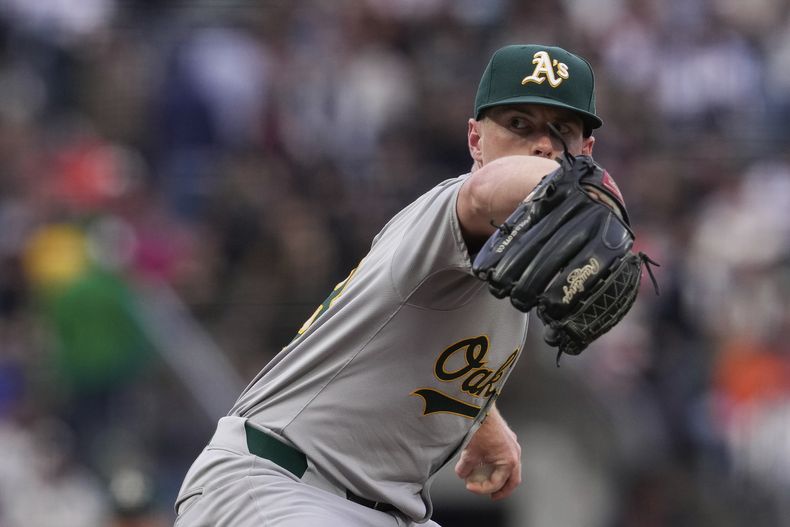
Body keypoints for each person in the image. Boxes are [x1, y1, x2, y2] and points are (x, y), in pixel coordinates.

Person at [174, 43, 605, 527]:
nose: (543, 146)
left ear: (586, 151)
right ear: (475, 141)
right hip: (280, 485)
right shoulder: (450, 211)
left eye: (562, 131)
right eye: (519, 125)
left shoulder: (515, 262)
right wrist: (589, 191)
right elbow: (485, 192)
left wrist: (481, 418)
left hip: (378, 509)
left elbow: (414, 341)